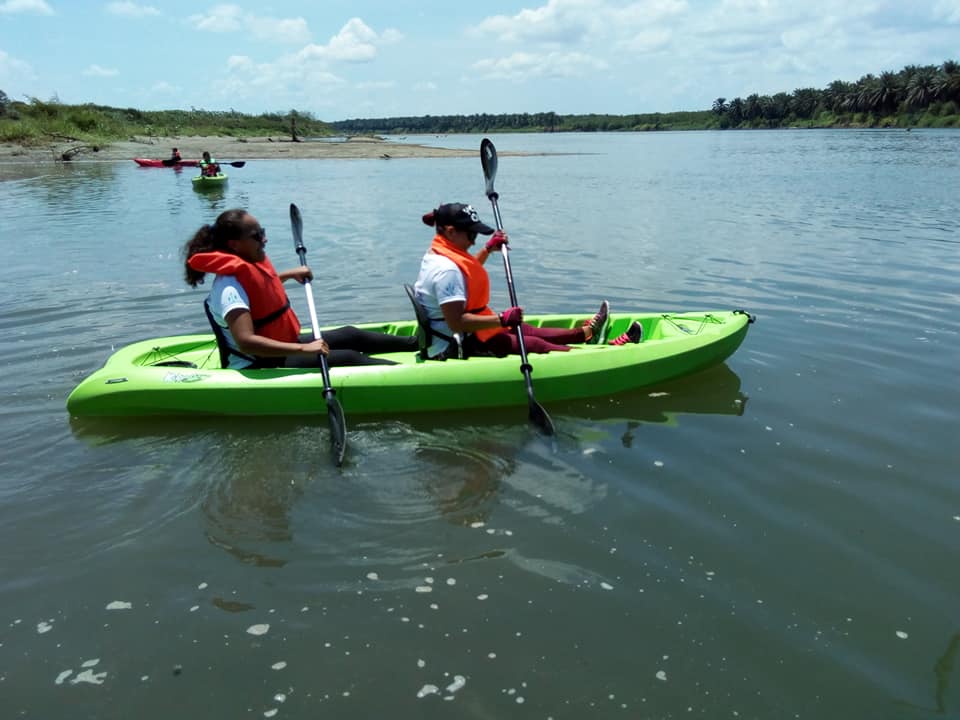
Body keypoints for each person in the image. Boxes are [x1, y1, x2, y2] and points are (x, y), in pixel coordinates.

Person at [183, 208, 417, 369]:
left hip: (281, 347)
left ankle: (419, 344)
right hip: (260, 362)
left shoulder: (247, 270)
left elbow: (261, 288)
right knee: (349, 357)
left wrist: (288, 275)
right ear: (234, 245)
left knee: (350, 334)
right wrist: (304, 350)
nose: (264, 239)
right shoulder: (228, 289)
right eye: (257, 236)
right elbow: (246, 342)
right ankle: (412, 377)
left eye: (262, 232)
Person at [413, 202, 642, 360]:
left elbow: (467, 273)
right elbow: (457, 322)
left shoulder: (437, 254)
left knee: (525, 329)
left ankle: (586, 334)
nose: (473, 241)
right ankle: (610, 353)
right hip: (456, 345)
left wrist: (488, 249)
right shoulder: (446, 269)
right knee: (535, 345)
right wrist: (501, 320)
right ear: (451, 232)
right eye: (471, 235)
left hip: (465, 334)